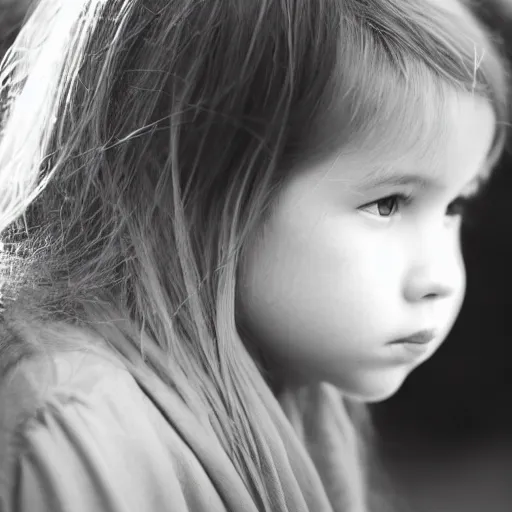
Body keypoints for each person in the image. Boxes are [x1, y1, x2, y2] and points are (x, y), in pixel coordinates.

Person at [0, 0, 508, 511]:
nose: (439, 278)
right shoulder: (81, 427)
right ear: (197, 184)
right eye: (387, 203)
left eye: (455, 205)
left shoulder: (297, 387)